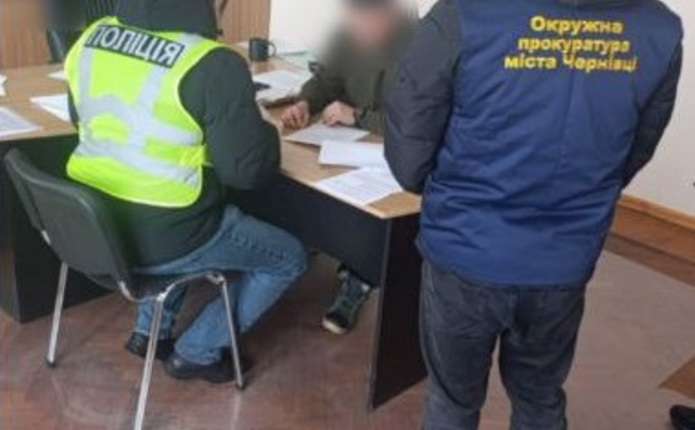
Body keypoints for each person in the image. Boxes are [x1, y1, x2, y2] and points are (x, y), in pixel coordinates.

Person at [385, 0, 683, 428]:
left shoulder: (465, 13)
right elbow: (636, 150)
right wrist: (584, 197)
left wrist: (434, 185)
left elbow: (410, 144)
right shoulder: (660, 29)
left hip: (466, 249)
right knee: (539, 398)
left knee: (452, 401)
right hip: (564, 259)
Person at [63, 0, 307, 383]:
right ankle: (198, 351)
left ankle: (149, 333)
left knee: (168, 214)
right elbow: (247, 173)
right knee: (289, 257)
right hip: (168, 234)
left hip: (98, 223)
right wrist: (262, 128)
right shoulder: (214, 63)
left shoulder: (92, 37)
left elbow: (80, 118)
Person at [281, 0, 414, 335]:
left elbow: (417, 119)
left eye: (366, 23)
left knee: (373, 211)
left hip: (394, 152)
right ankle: (326, 246)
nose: (358, 32)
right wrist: (305, 103)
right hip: (348, 145)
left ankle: (359, 280)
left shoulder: (420, 44)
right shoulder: (347, 34)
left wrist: (358, 116)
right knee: (306, 180)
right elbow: (326, 79)